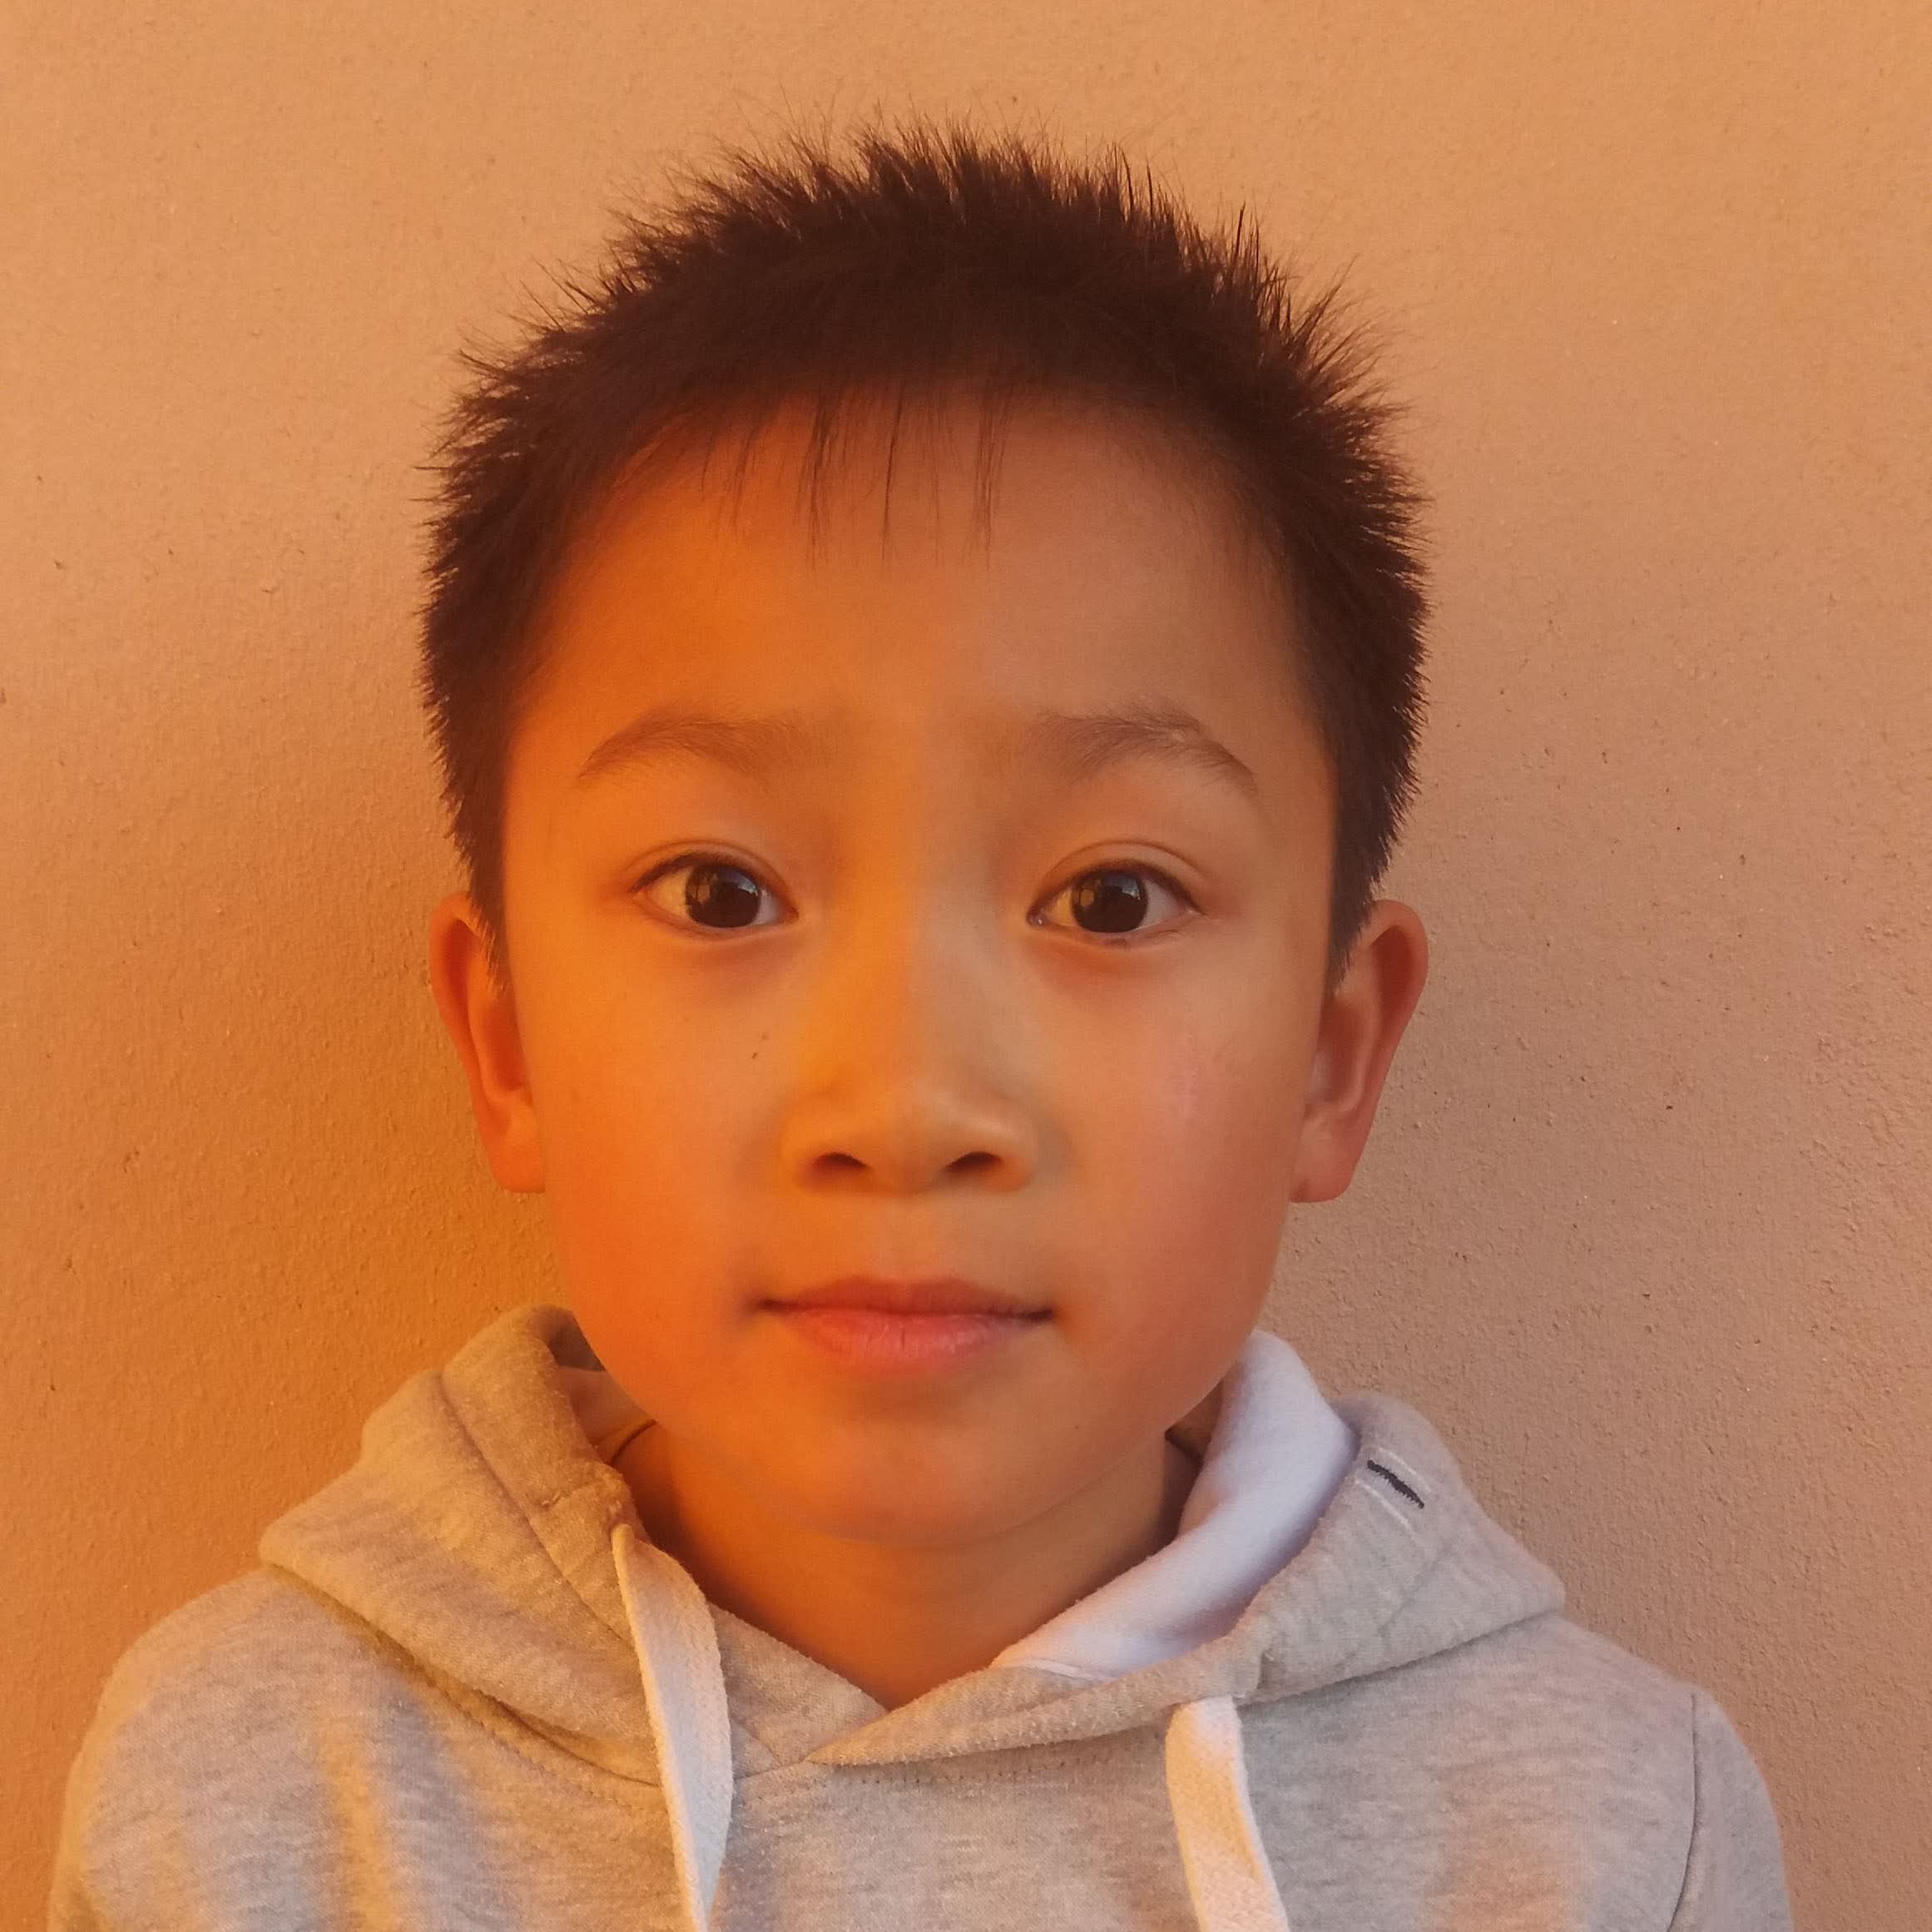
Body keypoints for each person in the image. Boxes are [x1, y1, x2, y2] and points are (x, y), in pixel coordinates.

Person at [47, 114, 1794, 1930]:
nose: (903, 1104)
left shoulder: (1600, 1834)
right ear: (504, 1046)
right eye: (721, 892)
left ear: (1332, 1058)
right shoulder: (253, 1803)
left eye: (1109, 900)